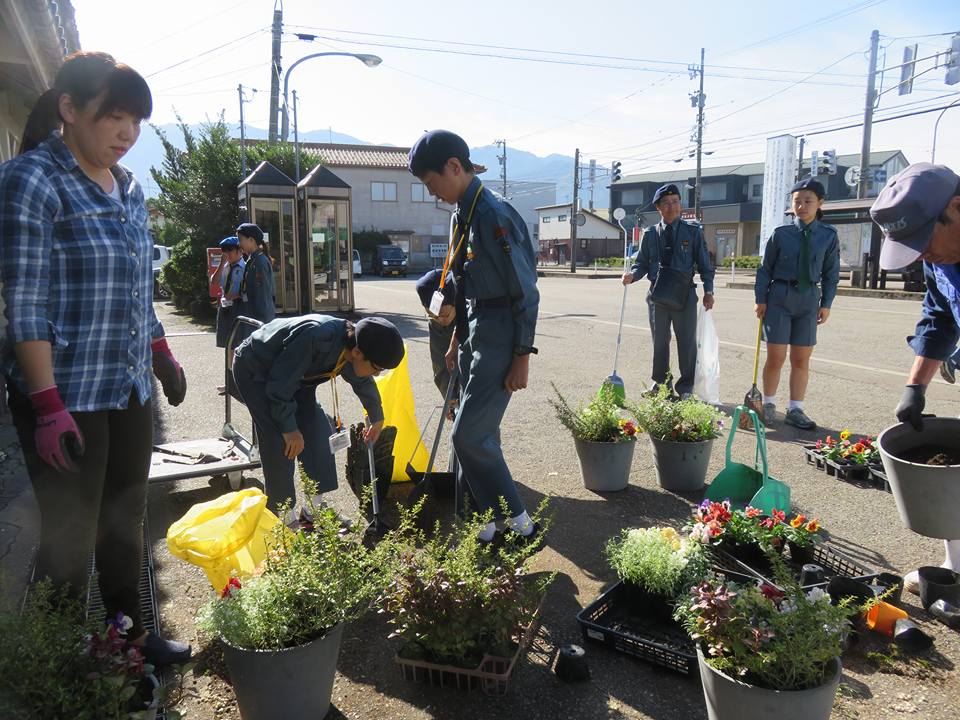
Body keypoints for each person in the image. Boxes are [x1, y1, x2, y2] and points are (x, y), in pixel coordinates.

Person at [0, 51, 189, 665]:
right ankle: (58, 664)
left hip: (127, 387)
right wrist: (46, 404)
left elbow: (137, 290)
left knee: (124, 520)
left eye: (136, 121)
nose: (127, 133)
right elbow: (24, 300)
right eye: (114, 117)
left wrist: (160, 353)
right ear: (69, 108)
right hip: (68, 393)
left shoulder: (129, 187)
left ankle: (129, 638)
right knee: (69, 535)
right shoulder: (33, 179)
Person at [408, 130, 540, 544]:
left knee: (469, 434)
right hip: (473, 329)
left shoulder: (492, 214)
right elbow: (464, 284)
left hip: (501, 332)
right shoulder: (461, 215)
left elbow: (526, 291)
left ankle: (522, 524)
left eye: (432, 182)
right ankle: (484, 525)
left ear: (454, 167)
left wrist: (522, 355)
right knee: (476, 432)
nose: (432, 192)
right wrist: (455, 341)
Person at [870, 162, 960, 602]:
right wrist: (915, 387)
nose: (922, 255)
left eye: (924, 241)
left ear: (956, 208)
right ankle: (956, 566)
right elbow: (939, 318)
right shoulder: (941, 259)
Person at [231, 315, 404, 517]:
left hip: (297, 378)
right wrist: (289, 430)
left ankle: (313, 509)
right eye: (377, 368)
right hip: (257, 370)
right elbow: (279, 387)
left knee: (318, 432)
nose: (376, 374)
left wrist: (376, 416)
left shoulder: (355, 346)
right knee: (280, 441)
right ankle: (283, 518)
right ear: (357, 352)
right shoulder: (316, 337)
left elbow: (362, 381)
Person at [753, 178, 840, 430]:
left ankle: (795, 408)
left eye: (807, 201)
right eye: (797, 201)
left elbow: (831, 272)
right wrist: (760, 299)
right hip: (779, 297)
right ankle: (768, 404)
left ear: (820, 203)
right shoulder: (781, 234)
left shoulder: (828, 236)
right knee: (776, 357)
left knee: (801, 359)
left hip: (809, 299)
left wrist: (827, 303)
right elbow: (764, 270)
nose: (801, 206)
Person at [621, 183, 715, 399]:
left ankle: (686, 388)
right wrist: (632, 275)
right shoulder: (650, 234)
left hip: (685, 295)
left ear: (680, 204)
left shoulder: (693, 232)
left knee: (687, 342)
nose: (672, 206)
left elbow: (705, 265)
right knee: (660, 342)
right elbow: (641, 263)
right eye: (666, 203)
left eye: (675, 202)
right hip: (658, 295)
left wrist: (709, 291)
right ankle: (661, 385)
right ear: (658, 208)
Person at [414, 268, 456, 398]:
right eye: (433, 316)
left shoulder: (473, 313)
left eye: (444, 315)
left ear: (456, 303)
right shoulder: (436, 322)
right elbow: (440, 364)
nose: (440, 320)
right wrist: (449, 396)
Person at [236, 222, 275, 337]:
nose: (239, 244)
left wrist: (263, 326)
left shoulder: (259, 262)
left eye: (240, 239)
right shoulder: (252, 260)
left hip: (258, 321)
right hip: (251, 317)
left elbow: (262, 296)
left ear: (251, 240)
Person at [212, 235, 246, 349]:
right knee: (226, 342)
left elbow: (251, 291)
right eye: (224, 250)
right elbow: (214, 282)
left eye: (230, 250)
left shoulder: (246, 267)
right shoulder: (224, 267)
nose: (227, 254)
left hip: (239, 306)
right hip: (225, 306)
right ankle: (228, 361)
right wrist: (221, 263)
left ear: (240, 251)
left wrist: (237, 295)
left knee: (238, 342)